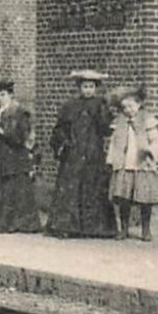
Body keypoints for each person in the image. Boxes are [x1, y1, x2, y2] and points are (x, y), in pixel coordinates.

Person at [48, 70, 118, 238]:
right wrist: (64, 141)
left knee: (93, 186)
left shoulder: (101, 105)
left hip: (93, 152)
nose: (88, 90)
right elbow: (60, 128)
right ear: (79, 88)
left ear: (96, 88)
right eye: (85, 87)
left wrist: (106, 116)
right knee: (70, 188)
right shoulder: (70, 106)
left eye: (91, 87)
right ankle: (66, 226)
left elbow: (105, 129)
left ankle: (95, 228)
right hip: (74, 152)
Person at [0, 78, 42, 233]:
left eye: (3, 95)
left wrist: (3, 133)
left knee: (13, 189)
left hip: (14, 157)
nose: (0, 98)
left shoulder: (19, 112)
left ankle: (12, 222)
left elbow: (22, 136)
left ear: (11, 95)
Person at [108, 86, 158, 241]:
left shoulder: (146, 120)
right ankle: (124, 229)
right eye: (124, 107)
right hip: (125, 163)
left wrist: (151, 152)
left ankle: (146, 229)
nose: (128, 110)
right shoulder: (120, 122)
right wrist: (111, 159)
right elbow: (114, 143)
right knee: (123, 198)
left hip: (141, 164)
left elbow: (155, 140)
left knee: (145, 198)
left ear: (139, 104)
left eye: (131, 106)